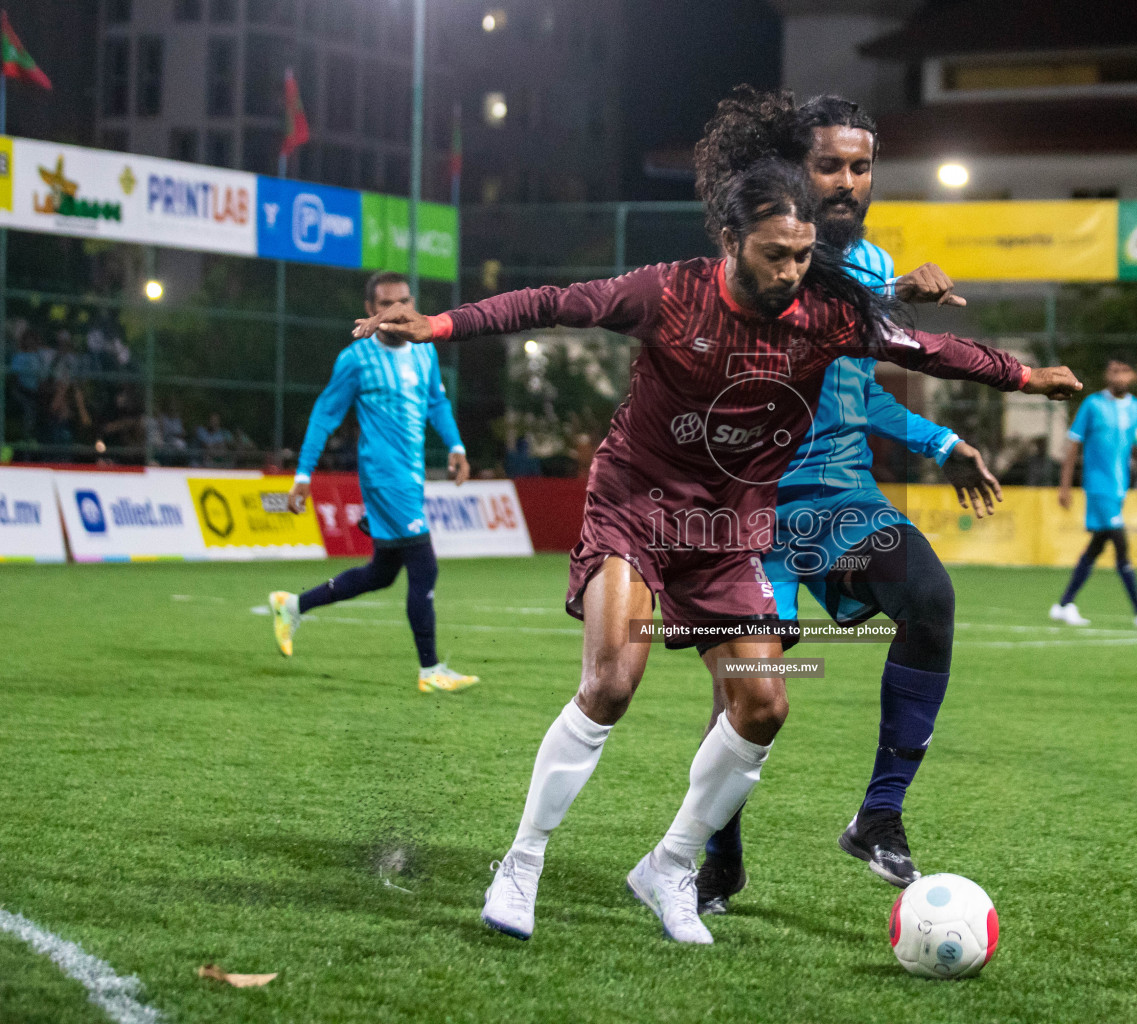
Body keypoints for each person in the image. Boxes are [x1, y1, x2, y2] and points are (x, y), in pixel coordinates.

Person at [350, 156, 1081, 946]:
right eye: (776, 254)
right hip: (639, 502)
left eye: (804, 255)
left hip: (730, 526)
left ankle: (670, 866)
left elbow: (921, 349)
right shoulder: (669, 292)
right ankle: (521, 863)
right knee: (612, 681)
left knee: (764, 705)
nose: (793, 271)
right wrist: (439, 325)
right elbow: (553, 303)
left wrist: (1024, 376)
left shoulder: (825, 311)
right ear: (731, 239)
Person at [690, 89, 1008, 912]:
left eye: (859, 166)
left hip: (841, 500)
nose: (845, 181)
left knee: (929, 595)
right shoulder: (758, 256)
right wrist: (896, 289)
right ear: (793, 169)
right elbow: (793, 318)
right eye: (827, 164)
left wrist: (942, 442)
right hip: (749, 509)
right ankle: (714, 853)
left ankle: (881, 816)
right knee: (752, 695)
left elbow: (856, 394)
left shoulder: (870, 270)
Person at [267, 271, 480, 694]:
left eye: (403, 301)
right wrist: (304, 476)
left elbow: (436, 402)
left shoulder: (424, 353)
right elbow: (324, 415)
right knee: (425, 566)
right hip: (384, 478)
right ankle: (430, 670)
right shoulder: (356, 359)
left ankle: (291, 606)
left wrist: (455, 445)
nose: (396, 311)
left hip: (412, 475)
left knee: (382, 574)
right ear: (370, 311)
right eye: (385, 304)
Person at [1050, 356, 1137, 628]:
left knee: (1097, 546)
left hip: (1120, 488)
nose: (1118, 376)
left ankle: (1064, 604)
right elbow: (1073, 446)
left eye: (1123, 371)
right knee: (1120, 543)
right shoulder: (1092, 405)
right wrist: (1065, 485)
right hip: (1098, 485)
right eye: (1113, 370)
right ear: (1107, 375)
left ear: (1133, 376)